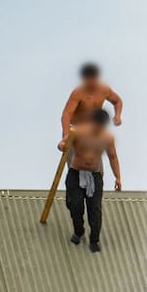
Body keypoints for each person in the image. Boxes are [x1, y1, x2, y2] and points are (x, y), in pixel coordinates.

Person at [58, 109, 121, 253]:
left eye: (101, 126)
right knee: (75, 205)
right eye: (96, 125)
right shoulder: (78, 131)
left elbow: (113, 157)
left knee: (95, 210)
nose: (98, 128)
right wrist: (62, 146)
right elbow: (63, 143)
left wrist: (118, 177)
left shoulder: (107, 138)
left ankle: (94, 239)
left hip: (94, 175)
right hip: (76, 172)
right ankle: (78, 231)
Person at [61, 62, 122, 140]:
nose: (92, 83)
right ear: (84, 79)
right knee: (65, 144)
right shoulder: (77, 93)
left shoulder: (105, 90)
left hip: (92, 130)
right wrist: (66, 134)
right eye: (89, 80)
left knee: (105, 141)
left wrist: (117, 116)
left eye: (94, 79)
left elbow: (117, 101)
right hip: (75, 128)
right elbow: (66, 115)